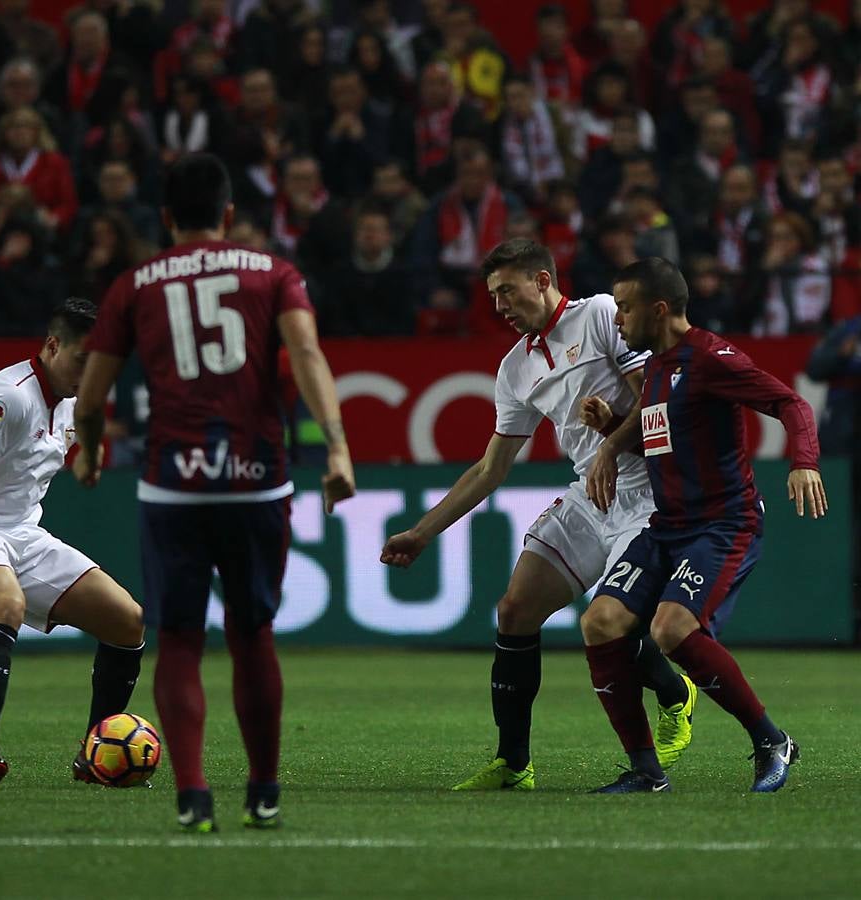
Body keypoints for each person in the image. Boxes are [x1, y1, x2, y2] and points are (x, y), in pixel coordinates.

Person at [72, 152, 355, 832]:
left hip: (175, 488)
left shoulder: (135, 284)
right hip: (258, 479)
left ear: (166, 218)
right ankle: (263, 791)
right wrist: (338, 446)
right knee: (254, 633)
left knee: (178, 640)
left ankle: (194, 794)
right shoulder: (275, 274)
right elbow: (308, 356)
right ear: (229, 215)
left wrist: (87, 449)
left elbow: (91, 392)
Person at [380, 238, 696, 792]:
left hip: (649, 492)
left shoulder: (600, 315)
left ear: (544, 280)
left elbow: (653, 395)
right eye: (493, 295)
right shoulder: (515, 368)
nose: (499, 306)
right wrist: (422, 532)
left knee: (608, 624)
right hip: (591, 492)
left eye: (507, 290)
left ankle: (673, 699)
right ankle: (513, 763)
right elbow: (490, 468)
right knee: (515, 610)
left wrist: (608, 444)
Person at [578, 256, 824, 793]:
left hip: (723, 524)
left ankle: (770, 740)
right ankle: (646, 771)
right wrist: (613, 428)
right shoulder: (658, 367)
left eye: (624, 306)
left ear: (658, 308)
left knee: (670, 629)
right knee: (599, 622)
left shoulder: (711, 358)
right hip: (668, 525)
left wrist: (803, 461)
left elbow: (792, 403)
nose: (617, 318)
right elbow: (665, 439)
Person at [0, 298, 145, 781]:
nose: (89, 372)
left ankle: (95, 753)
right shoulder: (6, 398)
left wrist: (90, 456)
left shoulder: (77, 399)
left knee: (127, 621)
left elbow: (86, 428)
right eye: (81, 360)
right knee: (6, 606)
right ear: (52, 345)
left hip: (24, 532)